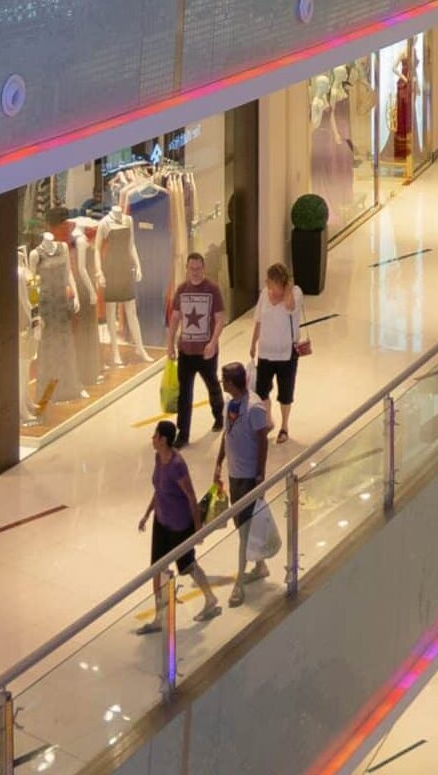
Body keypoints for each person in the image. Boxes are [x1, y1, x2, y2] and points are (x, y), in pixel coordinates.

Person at [136, 420, 224, 628]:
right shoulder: (159, 458)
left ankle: (210, 599)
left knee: (187, 566)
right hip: (161, 521)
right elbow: (158, 489)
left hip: (179, 525)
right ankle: (160, 616)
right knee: (157, 569)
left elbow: (191, 498)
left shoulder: (177, 465)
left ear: (164, 440)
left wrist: (197, 530)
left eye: (155, 436)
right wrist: (148, 514)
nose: (152, 439)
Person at [211, 362, 272, 605]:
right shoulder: (230, 404)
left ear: (233, 383)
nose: (221, 383)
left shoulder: (254, 408)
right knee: (241, 524)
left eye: (224, 380)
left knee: (245, 531)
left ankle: (238, 586)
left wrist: (259, 475)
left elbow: (263, 441)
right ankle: (260, 565)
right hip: (235, 474)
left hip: (248, 477)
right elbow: (227, 435)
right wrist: (218, 464)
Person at [166, 251, 227, 444]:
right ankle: (182, 434)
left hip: (206, 352)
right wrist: (170, 345)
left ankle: (219, 414)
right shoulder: (182, 290)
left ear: (204, 268)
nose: (195, 272)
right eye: (191, 269)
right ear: (187, 269)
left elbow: (219, 319)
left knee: (213, 386)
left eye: (198, 268)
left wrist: (213, 342)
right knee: (185, 394)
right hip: (186, 351)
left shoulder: (213, 289)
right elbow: (175, 318)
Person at [249, 262, 307, 445]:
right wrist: (253, 343)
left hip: (286, 353)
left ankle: (284, 426)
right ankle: (268, 421)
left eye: (272, 283)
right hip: (266, 351)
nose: (269, 286)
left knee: (285, 392)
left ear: (281, 283)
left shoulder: (295, 293)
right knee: (262, 389)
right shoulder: (264, 295)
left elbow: (290, 306)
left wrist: (288, 287)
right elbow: (258, 320)